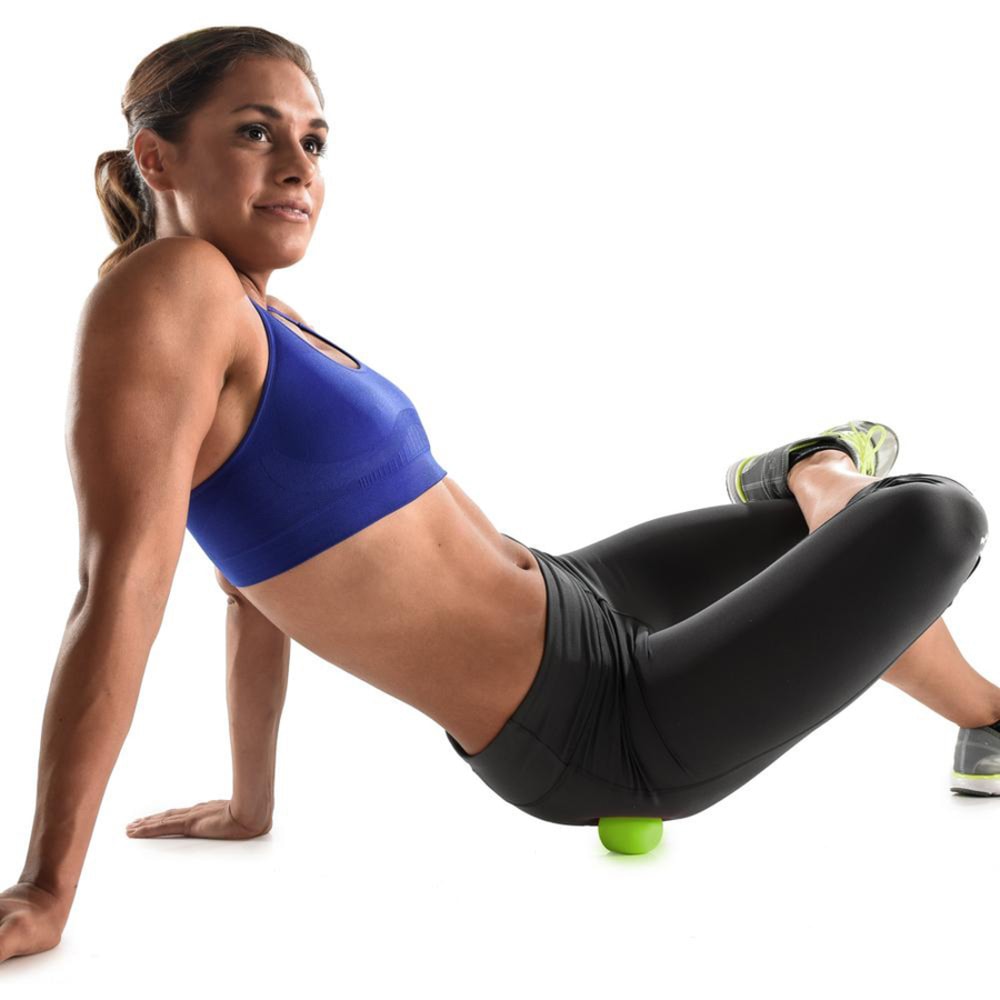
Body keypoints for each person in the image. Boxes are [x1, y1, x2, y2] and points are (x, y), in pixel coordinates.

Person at [0, 24, 992, 962]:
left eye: (314, 140)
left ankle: (986, 718)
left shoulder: (260, 310)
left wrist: (249, 804)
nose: (300, 167)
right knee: (928, 514)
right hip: (603, 723)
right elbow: (118, 587)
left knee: (811, 541)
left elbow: (248, 590)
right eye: (256, 133)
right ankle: (820, 468)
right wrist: (46, 887)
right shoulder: (168, 287)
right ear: (157, 157)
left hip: (581, 593)